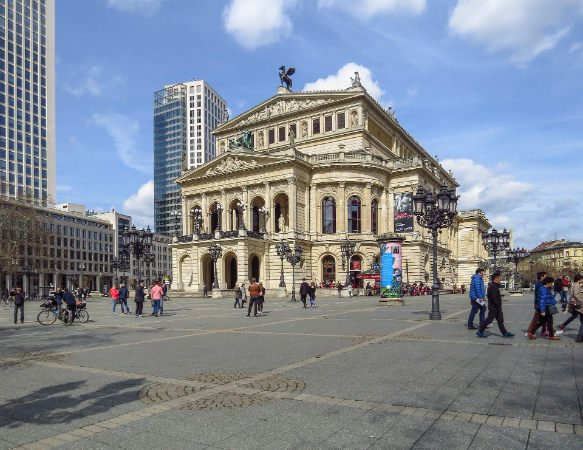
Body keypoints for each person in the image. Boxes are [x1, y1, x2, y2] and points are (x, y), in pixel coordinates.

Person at [476, 273, 514, 338]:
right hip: (494, 307)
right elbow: (494, 298)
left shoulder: (494, 286)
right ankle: (480, 331)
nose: (500, 280)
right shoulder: (493, 287)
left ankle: (504, 333)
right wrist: (498, 304)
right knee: (489, 320)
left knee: (500, 320)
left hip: (497, 307)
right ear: (496, 279)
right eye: (499, 279)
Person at [526, 272, 552, 337]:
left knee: (544, 320)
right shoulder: (541, 284)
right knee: (537, 319)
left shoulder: (540, 284)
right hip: (540, 304)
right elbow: (542, 297)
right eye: (545, 276)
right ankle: (530, 331)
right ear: (541, 277)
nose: (546, 277)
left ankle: (544, 331)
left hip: (540, 304)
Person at [558, 274, 583, 339]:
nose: (582, 280)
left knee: (575, 315)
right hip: (577, 304)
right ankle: (580, 336)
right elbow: (576, 294)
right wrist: (581, 300)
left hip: (575, 304)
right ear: (579, 279)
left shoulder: (575, 284)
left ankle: (563, 325)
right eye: (582, 279)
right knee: (579, 315)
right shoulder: (577, 285)